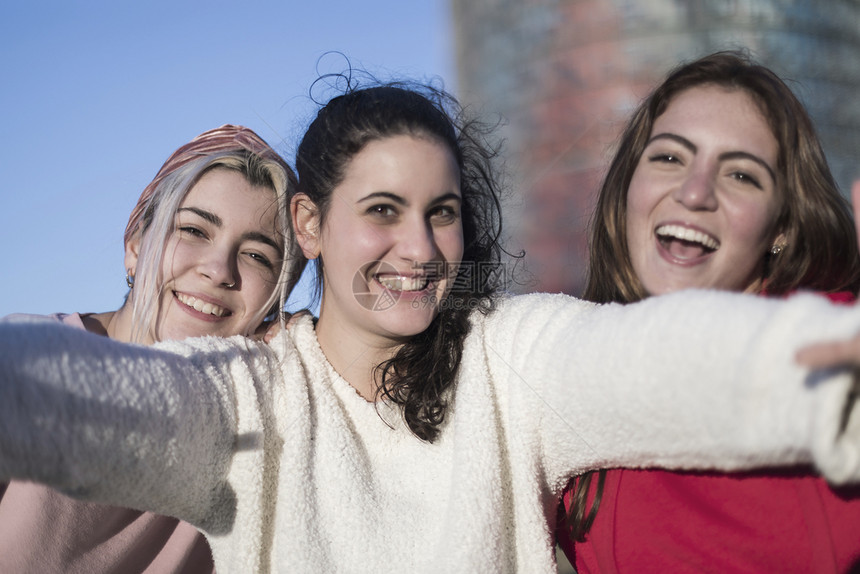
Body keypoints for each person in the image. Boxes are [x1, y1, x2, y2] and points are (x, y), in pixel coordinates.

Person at [1, 81, 860, 574]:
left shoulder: (509, 355)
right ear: (309, 225)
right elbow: (102, 402)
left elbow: (653, 360)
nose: (417, 249)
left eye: (440, 213)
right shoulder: (252, 392)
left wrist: (814, 369)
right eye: (382, 210)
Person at [555, 52, 860, 573]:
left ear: (783, 228)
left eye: (741, 174)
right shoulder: (568, 368)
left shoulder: (821, 344)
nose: (694, 193)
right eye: (670, 158)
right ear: (629, 186)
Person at [0, 124, 304, 573]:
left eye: (258, 256)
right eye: (195, 230)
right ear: (136, 245)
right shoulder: (28, 364)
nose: (219, 270)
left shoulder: (264, 407)